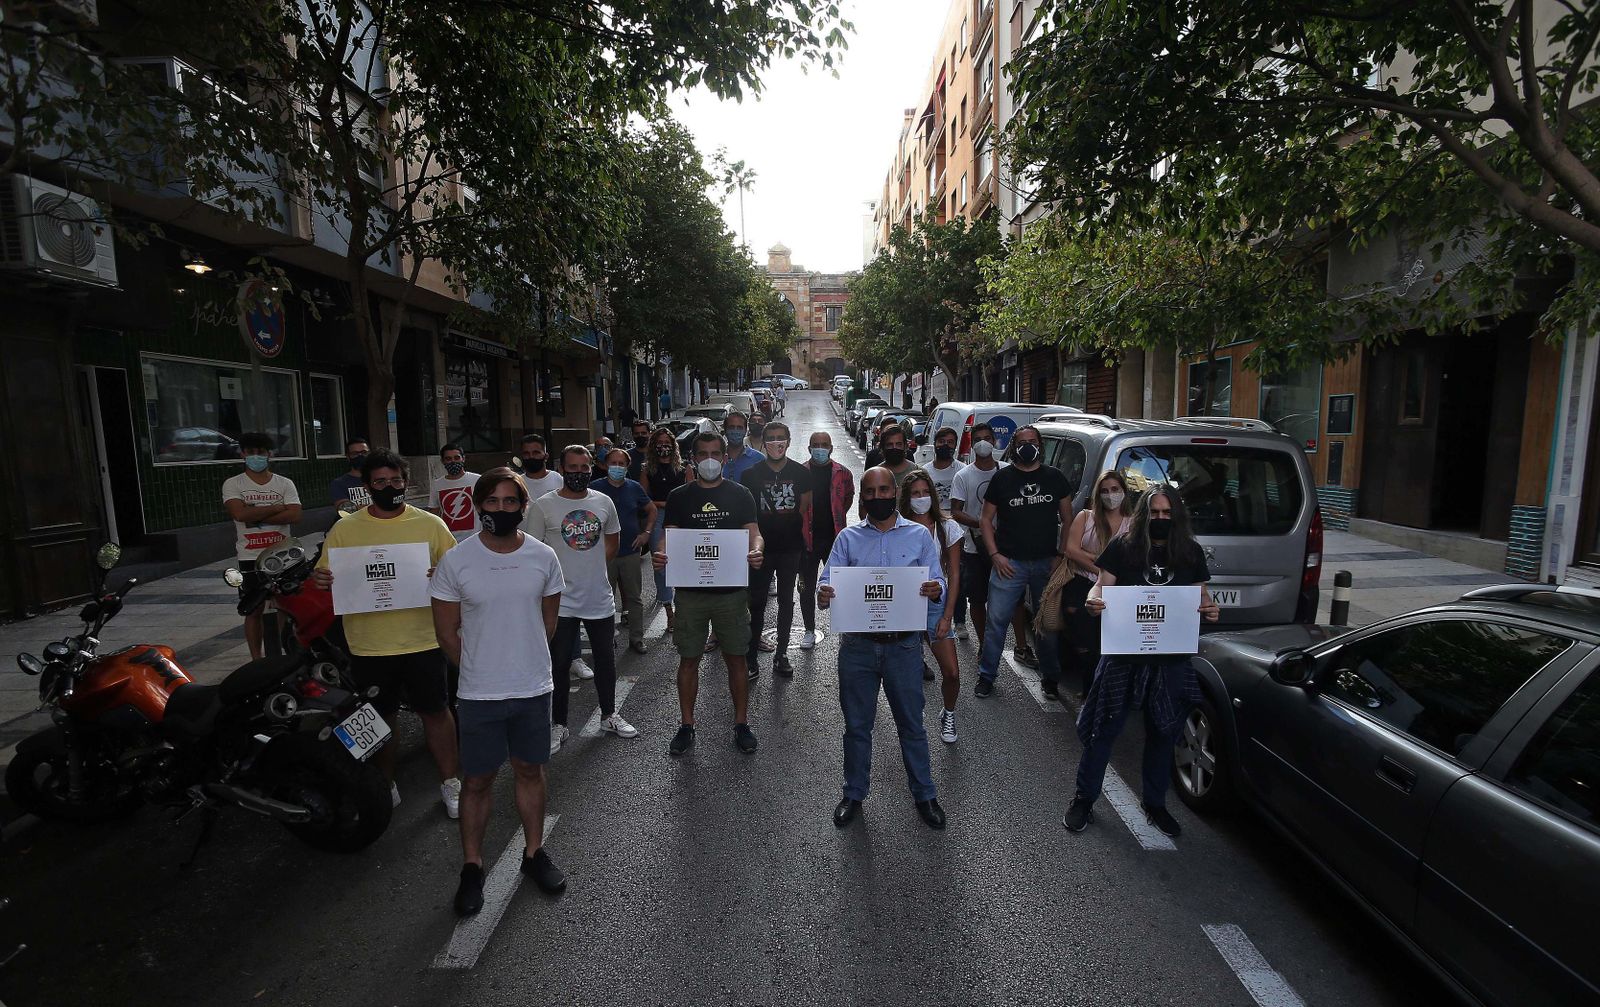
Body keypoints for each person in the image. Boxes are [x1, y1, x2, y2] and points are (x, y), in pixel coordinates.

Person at [430, 468, 567, 915]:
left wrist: (521, 659)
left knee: (530, 770)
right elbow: (446, 633)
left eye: (511, 502)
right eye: (492, 502)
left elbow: (548, 622)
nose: (502, 509)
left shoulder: (544, 556)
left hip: (532, 687)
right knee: (477, 780)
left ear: (524, 507)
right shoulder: (457, 561)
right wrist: (480, 666)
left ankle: (534, 852)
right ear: (478, 506)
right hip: (478, 694)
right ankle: (472, 866)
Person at [1065, 487, 1220, 839]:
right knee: (1103, 730)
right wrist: (1093, 600)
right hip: (1124, 656)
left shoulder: (1189, 552)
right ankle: (1084, 799)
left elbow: (1202, 596)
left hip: (1170, 659)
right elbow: (1100, 586)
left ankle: (1155, 804)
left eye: (1167, 513)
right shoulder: (1124, 547)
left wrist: (1210, 609)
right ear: (1143, 515)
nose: (1160, 519)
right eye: (1155, 513)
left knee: (1163, 732)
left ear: (1176, 516)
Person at [312, 449, 460, 814]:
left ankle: (451, 783)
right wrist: (321, 578)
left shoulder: (430, 524)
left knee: (436, 711)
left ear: (406, 483)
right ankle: (385, 784)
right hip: (369, 644)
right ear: (367, 487)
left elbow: (456, 572)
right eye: (380, 482)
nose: (389, 487)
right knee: (380, 717)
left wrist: (441, 574)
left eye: (396, 480)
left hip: (423, 639)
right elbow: (325, 575)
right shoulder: (345, 529)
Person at [819, 467, 947, 831]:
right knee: (857, 726)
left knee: (912, 725)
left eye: (884, 490)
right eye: (871, 492)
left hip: (903, 648)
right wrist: (824, 593)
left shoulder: (919, 535)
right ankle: (854, 793)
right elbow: (827, 579)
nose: (878, 497)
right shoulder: (848, 538)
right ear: (862, 496)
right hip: (858, 648)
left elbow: (938, 578)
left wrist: (936, 588)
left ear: (895, 492)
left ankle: (925, 794)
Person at [652, 430, 763, 756]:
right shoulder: (679, 497)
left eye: (716, 453)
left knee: (736, 658)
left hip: (731, 592)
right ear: (693, 458)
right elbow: (669, 536)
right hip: (691, 593)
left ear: (725, 458)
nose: (710, 460)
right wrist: (661, 552)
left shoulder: (740, 494)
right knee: (689, 659)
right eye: (703, 454)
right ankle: (687, 725)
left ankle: (741, 723)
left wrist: (756, 550)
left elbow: (754, 533)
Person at [535, 446, 637, 752]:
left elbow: (613, 541)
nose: (578, 473)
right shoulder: (543, 506)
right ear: (561, 469)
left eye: (584, 467)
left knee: (605, 660)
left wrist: (590, 568)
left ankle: (609, 715)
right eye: (572, 467)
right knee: (559, 664)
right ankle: (559, 724)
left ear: (592, 468)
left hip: (598, 597)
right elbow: (533, 550)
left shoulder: (603, 502)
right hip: (560, 601)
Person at [974, 425, 1075, 700]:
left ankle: (1050, 679)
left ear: (1040, 445)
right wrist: (995, 555)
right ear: (1014, 447)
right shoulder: (1002, 478)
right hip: (1009, 564)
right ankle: (986, 675)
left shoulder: (1055, 478)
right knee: (996, 622)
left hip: (1047, 564)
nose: (1027, 446)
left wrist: (1061, 555)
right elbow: (985, 520)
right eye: (1021, 442)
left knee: (1047, 625)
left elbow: (1068, 519)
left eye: (1032, 441)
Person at [740, 420, 811, 679]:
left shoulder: (801, 473)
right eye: (770, 438)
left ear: (789, 441)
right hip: (761, 549)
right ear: (763, 442)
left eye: (781, 437)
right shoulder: (750, 475)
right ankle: (750, 657)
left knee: (785, 601)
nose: (775, 442)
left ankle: (781, 654)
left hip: (791, 548)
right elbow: (747, 513)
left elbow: (803, 508)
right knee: (756, 602)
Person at [223, 432, 303, 661]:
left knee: (284, 606)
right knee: (253, 610)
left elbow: (295, 515)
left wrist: (254, 513)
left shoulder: (284, 483)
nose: (256, 457)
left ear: (270, 454)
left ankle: (281, 653)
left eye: (261, 452)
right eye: (251, 452)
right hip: (250, 556)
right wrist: (277, 508)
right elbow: (239, 514)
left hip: (284, 555)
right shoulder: (233, 483)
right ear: (242, 454)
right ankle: (256, 659)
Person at [901, 470, 963, 745]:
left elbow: (955, 574)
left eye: (926, 492)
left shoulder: (947, 527)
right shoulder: (898, 528)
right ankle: (911, 719)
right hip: (905, 606)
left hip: (936, 606)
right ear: (907, 498)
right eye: (915, 493)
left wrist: (948, 616)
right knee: (907, 673)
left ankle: (948, 713)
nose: (921, 498)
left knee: (951, 672)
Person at [1063, 471, 1134, 698]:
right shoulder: (1086, 517)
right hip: (1083, 586)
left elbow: (1131, 559)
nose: (1110, 495)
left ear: (1124, 491)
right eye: (1105, 491)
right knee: (1086, 643)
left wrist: (1093, 558)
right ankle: (1088, 691)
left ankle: (1104, 692)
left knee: (1108, 644)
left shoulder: (1133, 523)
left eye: (1115, 489)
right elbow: (1071, 550)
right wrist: (1104, 569)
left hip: (1118, 592)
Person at [592, 447, 655, 653]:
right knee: (605, 598)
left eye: (621, 464)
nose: (617, 467)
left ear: (627, 466)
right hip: (603, 553)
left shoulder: (634, 488)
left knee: (634, 598)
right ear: (605, 465)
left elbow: (651, 510)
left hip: (630, 551)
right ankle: (606, 639)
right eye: (613, 463)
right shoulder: (594, 488)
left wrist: (646, 533)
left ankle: (637, 638)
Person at [798, 430, 853, 651]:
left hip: (834, 540)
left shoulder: (843, 473)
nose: (819, 448)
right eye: (815, 444)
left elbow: (847, 498)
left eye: (824, 444)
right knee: (806, 587)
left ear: (831, 448)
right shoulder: (800, 473)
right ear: (809, 448)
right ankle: (809, 630)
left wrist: (836, 517)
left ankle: (845, 628)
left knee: (840, 587)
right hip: (807, 540)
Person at [640, 426, 685, 634]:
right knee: (660, 563)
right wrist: (664, 503)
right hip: (657, 517)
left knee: (682, 563)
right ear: (653, 446)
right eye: (659, 443)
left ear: (673, 445)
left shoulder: (684, 468)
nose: (663, 446)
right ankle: (669, 611)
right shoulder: (647, 469)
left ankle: (683, 606)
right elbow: (643, 498)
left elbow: (691, 493)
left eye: (667, 443)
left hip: (681, 518)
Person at [926, 426, 969, 639]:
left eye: (950, 442)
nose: (946, 445)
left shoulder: (962, 471)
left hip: (955, 531)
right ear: (935, 443)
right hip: (931, 530)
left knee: (955, 574)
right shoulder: (925, 471)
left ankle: (959, 620)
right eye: (942, 441)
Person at [858, 422, 916, 517]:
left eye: (898, 444)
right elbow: (863, 510)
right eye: (890, 445)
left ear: (905, 446)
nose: (894, 448)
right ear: (882, 447)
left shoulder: (916, 473)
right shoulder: (874, 475)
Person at [429, 442, 480, 541]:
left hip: (474, 539)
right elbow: (434, 513)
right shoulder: (437, 484)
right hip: (449, 540)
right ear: (442, 461)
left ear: (463, 458)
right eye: (448, 459)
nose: (453, 461)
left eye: (456, 458)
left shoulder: (477, 480)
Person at [328, 437, 370, 509]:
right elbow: (344, 510)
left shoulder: (380, 479)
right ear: (348, 457)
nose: (360, 456)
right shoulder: (339, 483)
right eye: (355, 454)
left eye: (364, 453)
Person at [517, 434, 563, 499]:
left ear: (546, 456)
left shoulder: (558, 479)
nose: (531, 456)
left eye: (536, 453)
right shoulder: (518, 483)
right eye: (526, 453)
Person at [720, 410, 761, 483]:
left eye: (739, 428)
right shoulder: (717, 458)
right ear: (725, 430)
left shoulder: (759, 459)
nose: (735, 431)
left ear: (745, 431)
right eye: (731, 427)